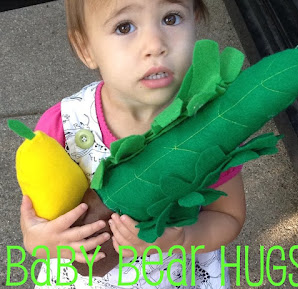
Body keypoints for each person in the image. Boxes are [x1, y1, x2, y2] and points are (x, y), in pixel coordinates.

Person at [20, 0, 246, 288]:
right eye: (124, 26)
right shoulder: (63, 126)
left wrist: (182, 238)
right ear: (86, 47)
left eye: (171, 18)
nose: (154, 44)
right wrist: (38, 240)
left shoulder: (209, 130)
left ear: (195, 17)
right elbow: (34, 216)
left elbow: (229, 216)